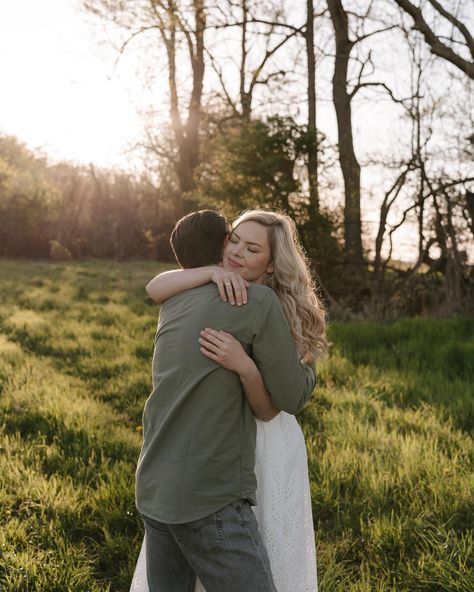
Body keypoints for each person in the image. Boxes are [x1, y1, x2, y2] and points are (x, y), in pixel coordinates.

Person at [131, 209, 321, 592]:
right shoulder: (258, 300)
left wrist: (246, 368)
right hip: (210, 496)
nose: (236, 252)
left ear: (271, 265)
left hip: (155, 482)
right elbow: (291, 396)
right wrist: (308, 363)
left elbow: (154, 286)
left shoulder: (177, 296)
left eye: (251, 249)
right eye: (234, 240)